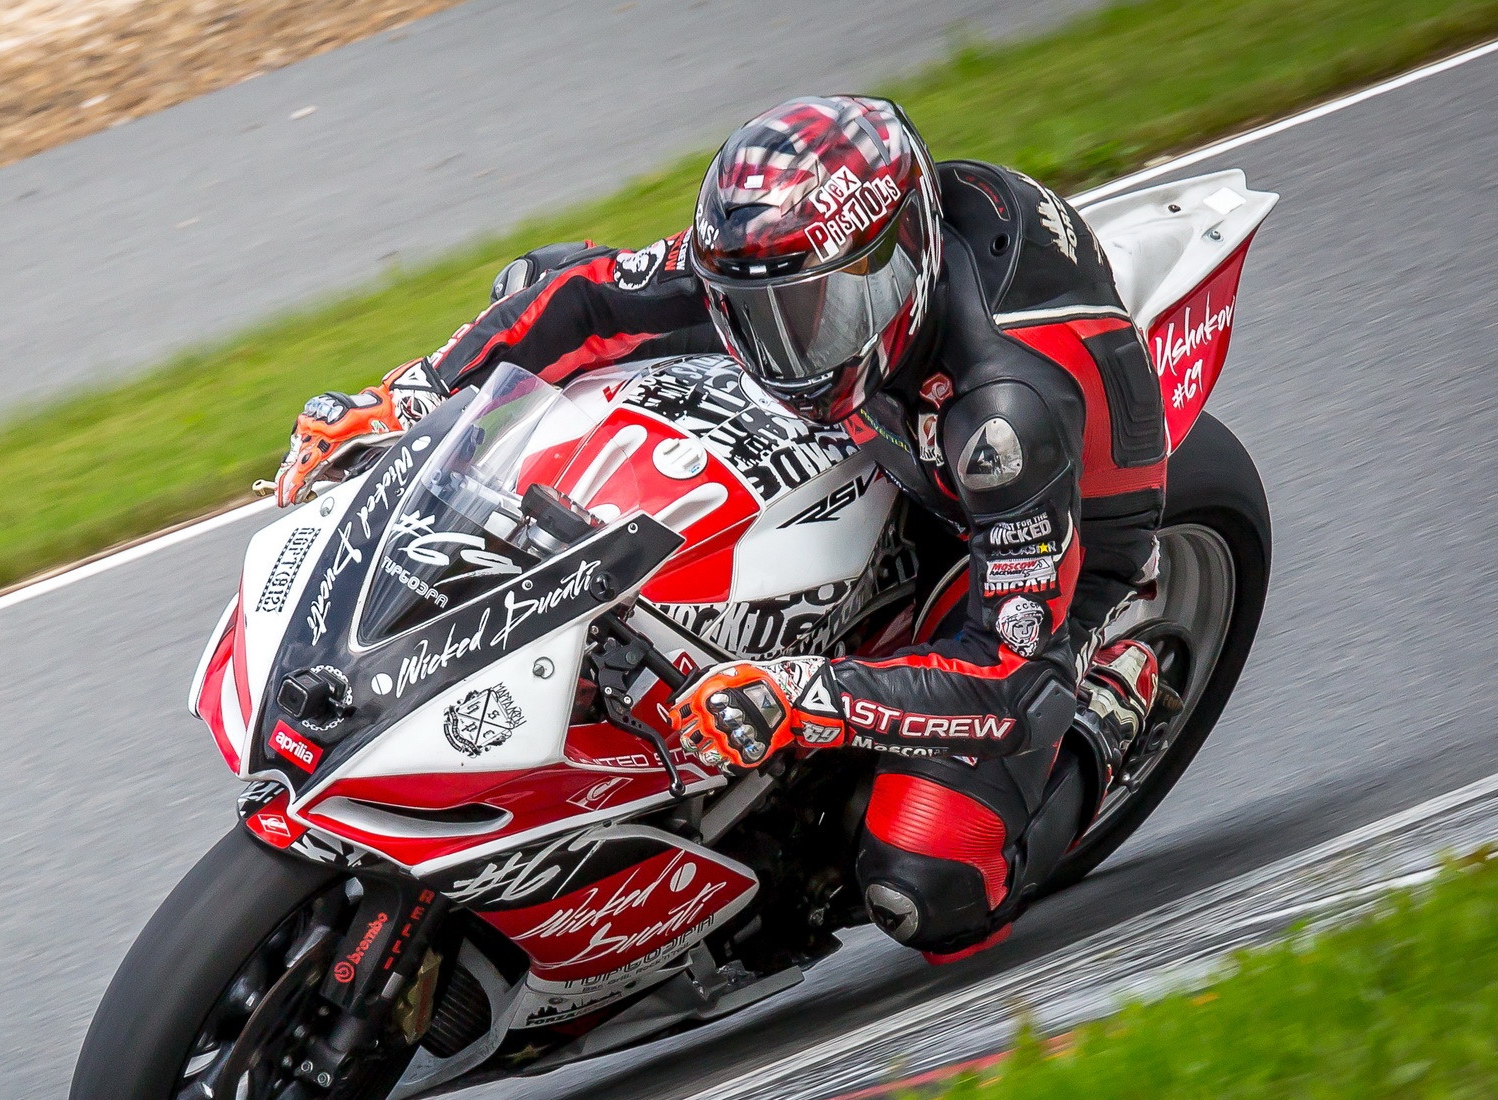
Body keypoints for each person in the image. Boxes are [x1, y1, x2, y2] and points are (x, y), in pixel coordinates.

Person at [274, 96, 1169, 962]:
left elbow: (1007, 676)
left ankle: (1109, 702)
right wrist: (411, 396)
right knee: (538, 283)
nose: (783, 347)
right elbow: (589, 296)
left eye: (816, 313)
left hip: (1046, 533)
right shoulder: (780, 261)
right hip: (895, 430)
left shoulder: (1003, 420)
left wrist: (798, 695)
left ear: (903, 263)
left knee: (930, 886)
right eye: (757, 313)